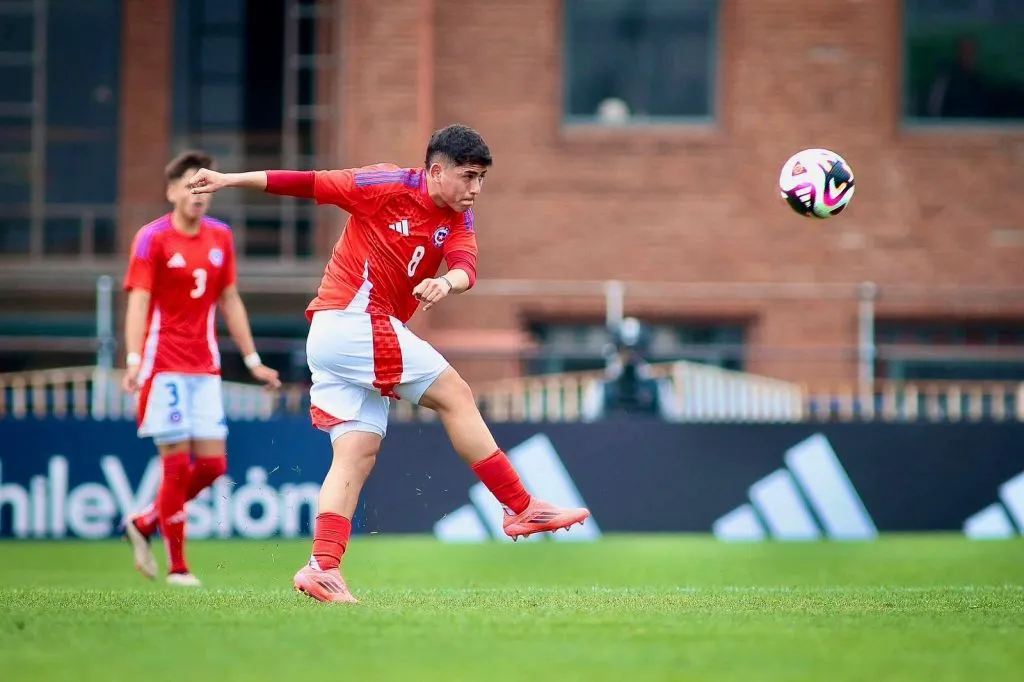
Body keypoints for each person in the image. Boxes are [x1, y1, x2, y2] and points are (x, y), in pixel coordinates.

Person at [186, 124, 590, 604]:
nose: (476, 189)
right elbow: (307, 182)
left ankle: (322, 567)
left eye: (482, 179)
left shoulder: (461, 216)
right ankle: (521, 506)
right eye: (468, 177)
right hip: (353, 322)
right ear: (436, 171)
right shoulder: (384, 186)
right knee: (456, 394)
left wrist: (448, 284)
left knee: (355, 454)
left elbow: (466, 266)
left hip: (338, 340)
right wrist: (231, 180)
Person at [121, 150, 281, 586]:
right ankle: (178, 566)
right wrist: (134, 359)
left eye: (203, 187)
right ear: (172, 192)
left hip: (205, 366)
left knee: (212, 466)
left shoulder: (221, 238)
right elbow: (137, 300)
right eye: (189, 186)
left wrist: (253, 361)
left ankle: (147, 520)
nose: (198, 195)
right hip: (163, 367)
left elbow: (230, 299)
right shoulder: (152, 239)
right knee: (175, 466)